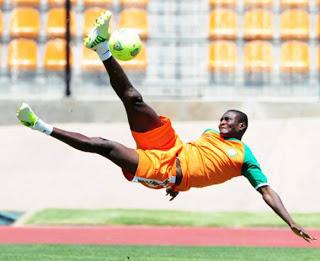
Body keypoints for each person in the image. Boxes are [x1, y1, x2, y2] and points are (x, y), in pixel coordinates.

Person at [16, 10, 316, 243]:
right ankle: (101, 46)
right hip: (171, 146)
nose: (222, 121)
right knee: (133, 99)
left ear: (242, 126)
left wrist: (289, 221)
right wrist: (181, 186)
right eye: (222, 117)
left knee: (104, 146)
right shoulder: (209, 134)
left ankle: (39, 125)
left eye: (229, 119)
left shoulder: (244, 159)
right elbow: (200, 162)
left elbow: (266, 191)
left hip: (164, 171)